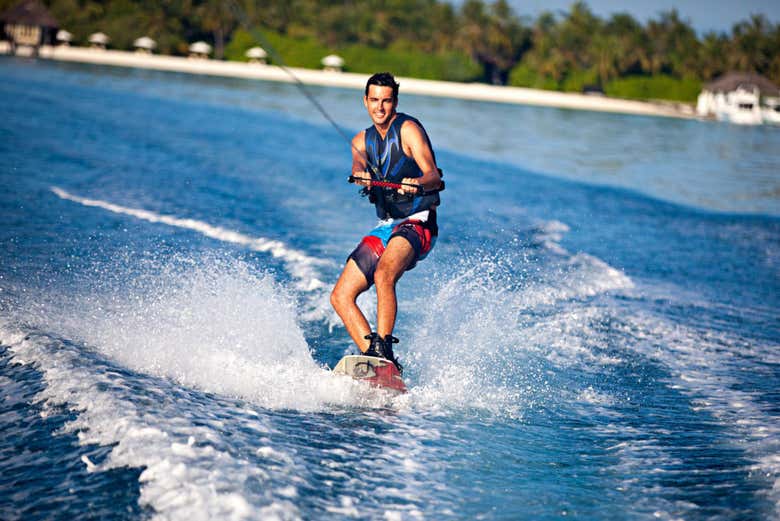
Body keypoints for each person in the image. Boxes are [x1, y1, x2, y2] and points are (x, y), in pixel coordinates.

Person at [330, 72, 443, 373]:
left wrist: (418, 182)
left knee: (384, 274)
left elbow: (434, 176)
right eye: (374, 100)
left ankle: (385, 350)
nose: (380, 107)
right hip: (387, 225)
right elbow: (358, 164)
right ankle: (374, 359)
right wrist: (361, 174)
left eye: (386, 101)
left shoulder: (409, 130)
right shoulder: (360, 140)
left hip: (418, 222)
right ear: (365, 101)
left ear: (395, 102)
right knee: (340, 296)